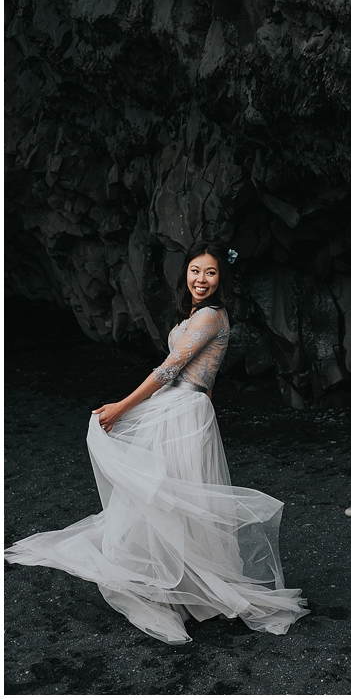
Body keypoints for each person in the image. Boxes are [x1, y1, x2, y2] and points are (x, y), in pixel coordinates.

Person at [4, 241, 309, 645]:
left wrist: (122, 406)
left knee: (169, 496)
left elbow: (169, 370)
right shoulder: (201, 315)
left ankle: (186, 585)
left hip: (182, 409)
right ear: (186, 272)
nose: (201, 279)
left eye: (211, 273)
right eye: (196, 271)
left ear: (222, 279)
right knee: (164, 496)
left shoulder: (210, 318)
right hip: (182, 408)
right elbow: (199, 377)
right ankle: (177, 583)